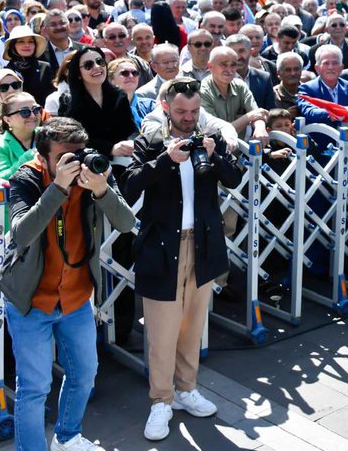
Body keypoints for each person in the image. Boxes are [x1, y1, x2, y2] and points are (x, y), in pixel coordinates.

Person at [0, 117, 135, 451]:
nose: (75, 163)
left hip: (75, 298)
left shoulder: (94, 174)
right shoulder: (26, 177)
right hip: (31, 300)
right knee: (34, 387)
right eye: (65, 157)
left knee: (85, 375)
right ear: (43, 155)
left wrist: (102, 190)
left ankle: (68, 436)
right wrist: (57, 188)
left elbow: (127, 222)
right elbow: (21, 234)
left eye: (79, 153)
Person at [123, 78, 241, 442]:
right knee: (162, 331)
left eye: (193, 112)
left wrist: (215, 153)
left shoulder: (210, 137)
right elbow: (128, 185)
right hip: (161, 247)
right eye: (180, 112)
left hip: (203, 244)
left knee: (192, 325)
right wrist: (164, 160)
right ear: (165, 108)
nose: (188, 119)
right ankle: (161, 399)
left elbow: (234, 178)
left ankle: (186, 388)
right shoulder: (149, 143)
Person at [56, 46, 136, 166]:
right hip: (86, 163)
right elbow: (70, 139)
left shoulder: (119, 95)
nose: (97, 67)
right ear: (78, 73)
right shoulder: (68, 101)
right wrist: (110, 148)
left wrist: (130, 143)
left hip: (122, 162)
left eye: (100, 62)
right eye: (89, 65)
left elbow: (130, 129)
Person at [0, 92, 42, 180]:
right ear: (7, 120)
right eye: (24, 112)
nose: (32, 115)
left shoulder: (49, 136)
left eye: (36, 109)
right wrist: (29, 157)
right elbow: (0, 179)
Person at [4, 25, 55, 105]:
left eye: (31, 42)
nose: (27, 45)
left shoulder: (45, 67)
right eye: (21, 42)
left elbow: (52, 95)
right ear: (13, 46)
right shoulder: (6, 71)